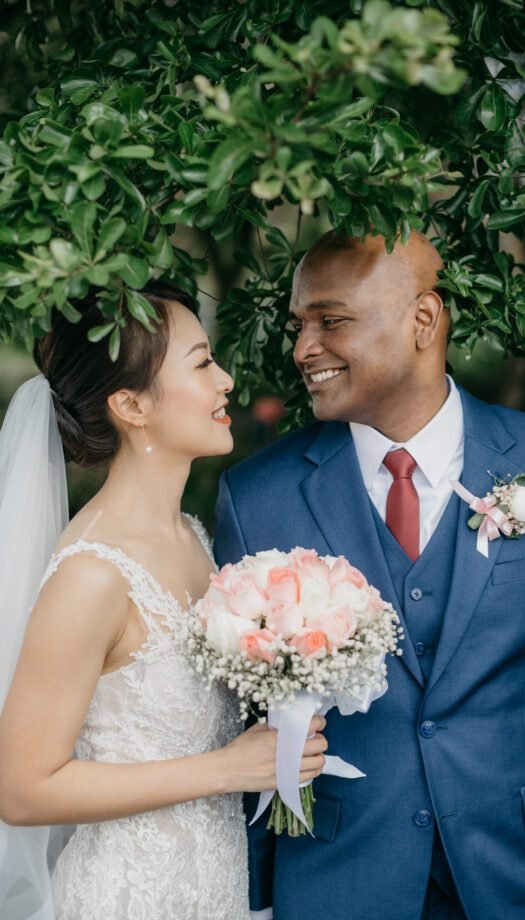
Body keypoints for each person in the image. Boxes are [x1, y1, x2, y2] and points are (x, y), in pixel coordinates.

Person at [215, 231, 525, 920]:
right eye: (297, 326)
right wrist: (253, 900)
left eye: (330, 321)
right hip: (342, 882)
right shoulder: (257, 498)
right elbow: (237, 723)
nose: (303, 348)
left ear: (422, 320)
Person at [0, 283, 327, 920]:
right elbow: (21, 789)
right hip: (126, 898)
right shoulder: (93, 574)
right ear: (132, 405)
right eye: (203, 363)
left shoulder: (193, 539)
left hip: (215, 891)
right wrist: (230, 769)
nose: (227, 380)